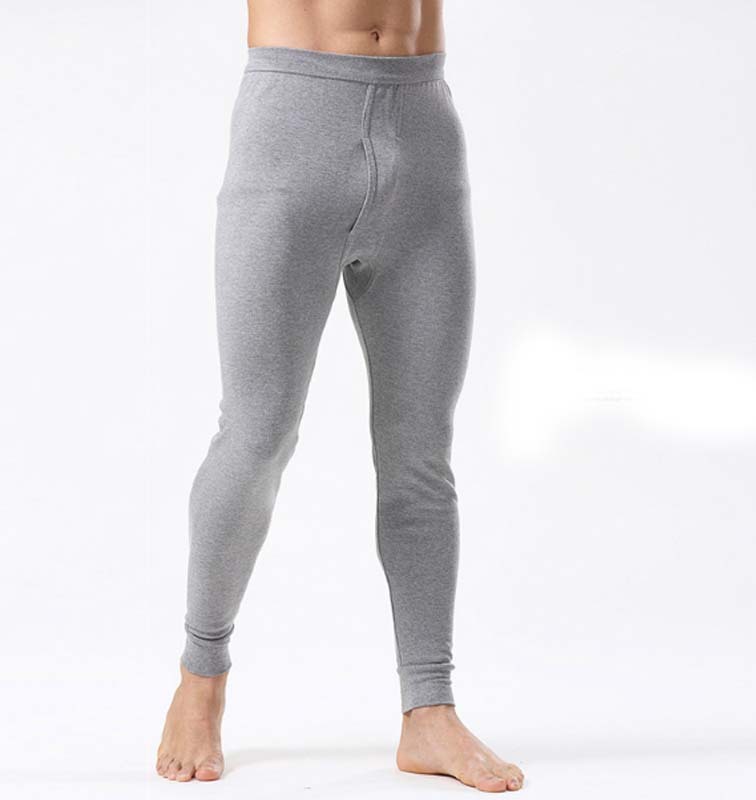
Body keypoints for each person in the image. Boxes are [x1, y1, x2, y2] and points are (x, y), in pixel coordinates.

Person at [156, 1, 524, 792]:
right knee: (256, 433)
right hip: (294, 127)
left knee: (422, 454)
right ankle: (201, 675)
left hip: (425, 134)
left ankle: (429, 710)